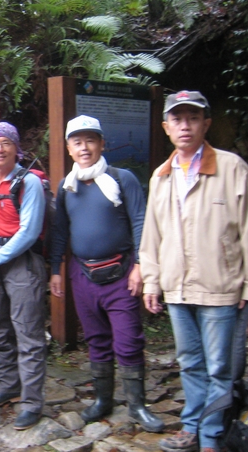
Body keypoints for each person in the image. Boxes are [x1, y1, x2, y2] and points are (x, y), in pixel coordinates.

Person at [140, 90, 248, 452]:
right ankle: (193, 425)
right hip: (178, 290)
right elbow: (153, 236)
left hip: (222, 290)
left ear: (206, 123)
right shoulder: (162, 176)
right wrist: (152, 281)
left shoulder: (232, 168)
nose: (185, 125)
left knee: (220, 369)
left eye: (192, 118)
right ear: (166, 128)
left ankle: (211, 440)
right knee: (190, 364)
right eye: (177, 119)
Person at [50, 115, 164, 432]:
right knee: (97, 340)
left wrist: (141, 265)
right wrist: (57, 269)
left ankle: (138, 405)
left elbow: (140, 222)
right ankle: (103, 400)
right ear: (69, 148)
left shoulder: (122, 178)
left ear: (102, 143)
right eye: (77, 141)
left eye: (90, 140)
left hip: (121, 272)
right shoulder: (66, 186)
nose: (84, 147)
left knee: (128, 340)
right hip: (82, 275)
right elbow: (60, 231)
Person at [0, 122, 47, 431]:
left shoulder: (30, 183)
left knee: (28, 333)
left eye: (5, 143)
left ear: (16, 148)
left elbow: (29, 231)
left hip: (21, 263)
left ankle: (31, 402)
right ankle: (7, 386)